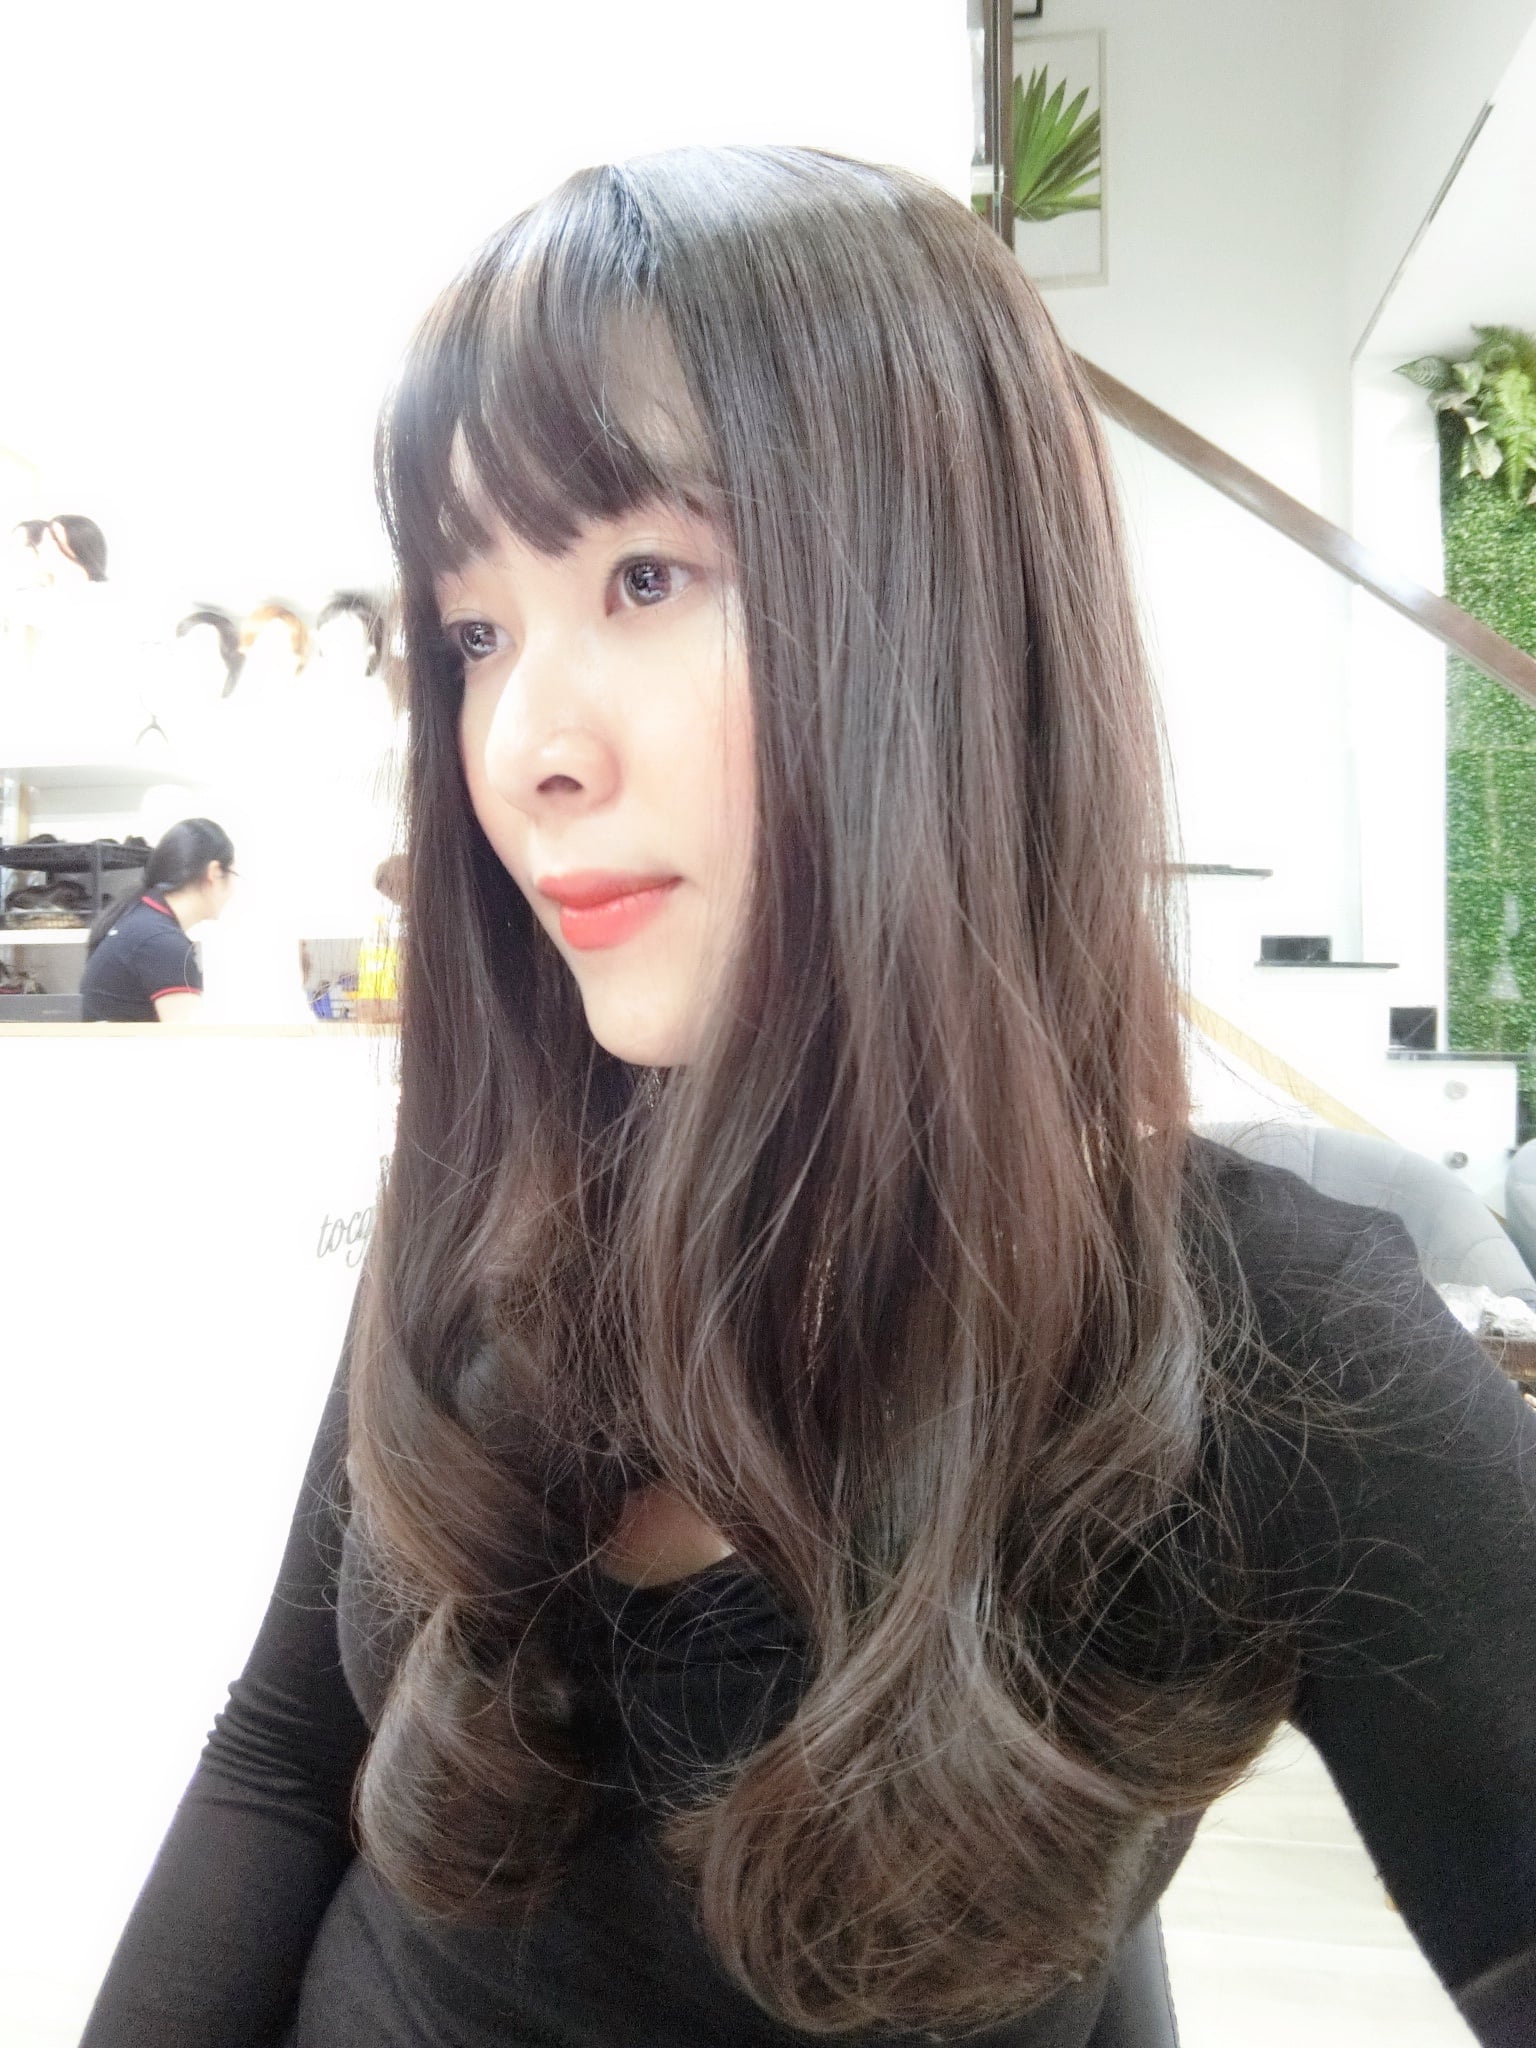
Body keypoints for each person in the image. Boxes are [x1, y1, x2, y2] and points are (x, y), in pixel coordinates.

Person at [79, 148, 1536, 2048]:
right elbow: (283, 1759)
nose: (521, 745)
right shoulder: (493, 1214)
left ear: (948, 619)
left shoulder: (1269, 1342)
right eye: (474, 629)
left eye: (648, 576)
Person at [79, 817, 235, 1022]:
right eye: (233, 874)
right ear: (214, 873)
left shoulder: (141, 919)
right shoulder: (162, 944)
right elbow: (187, 1038)